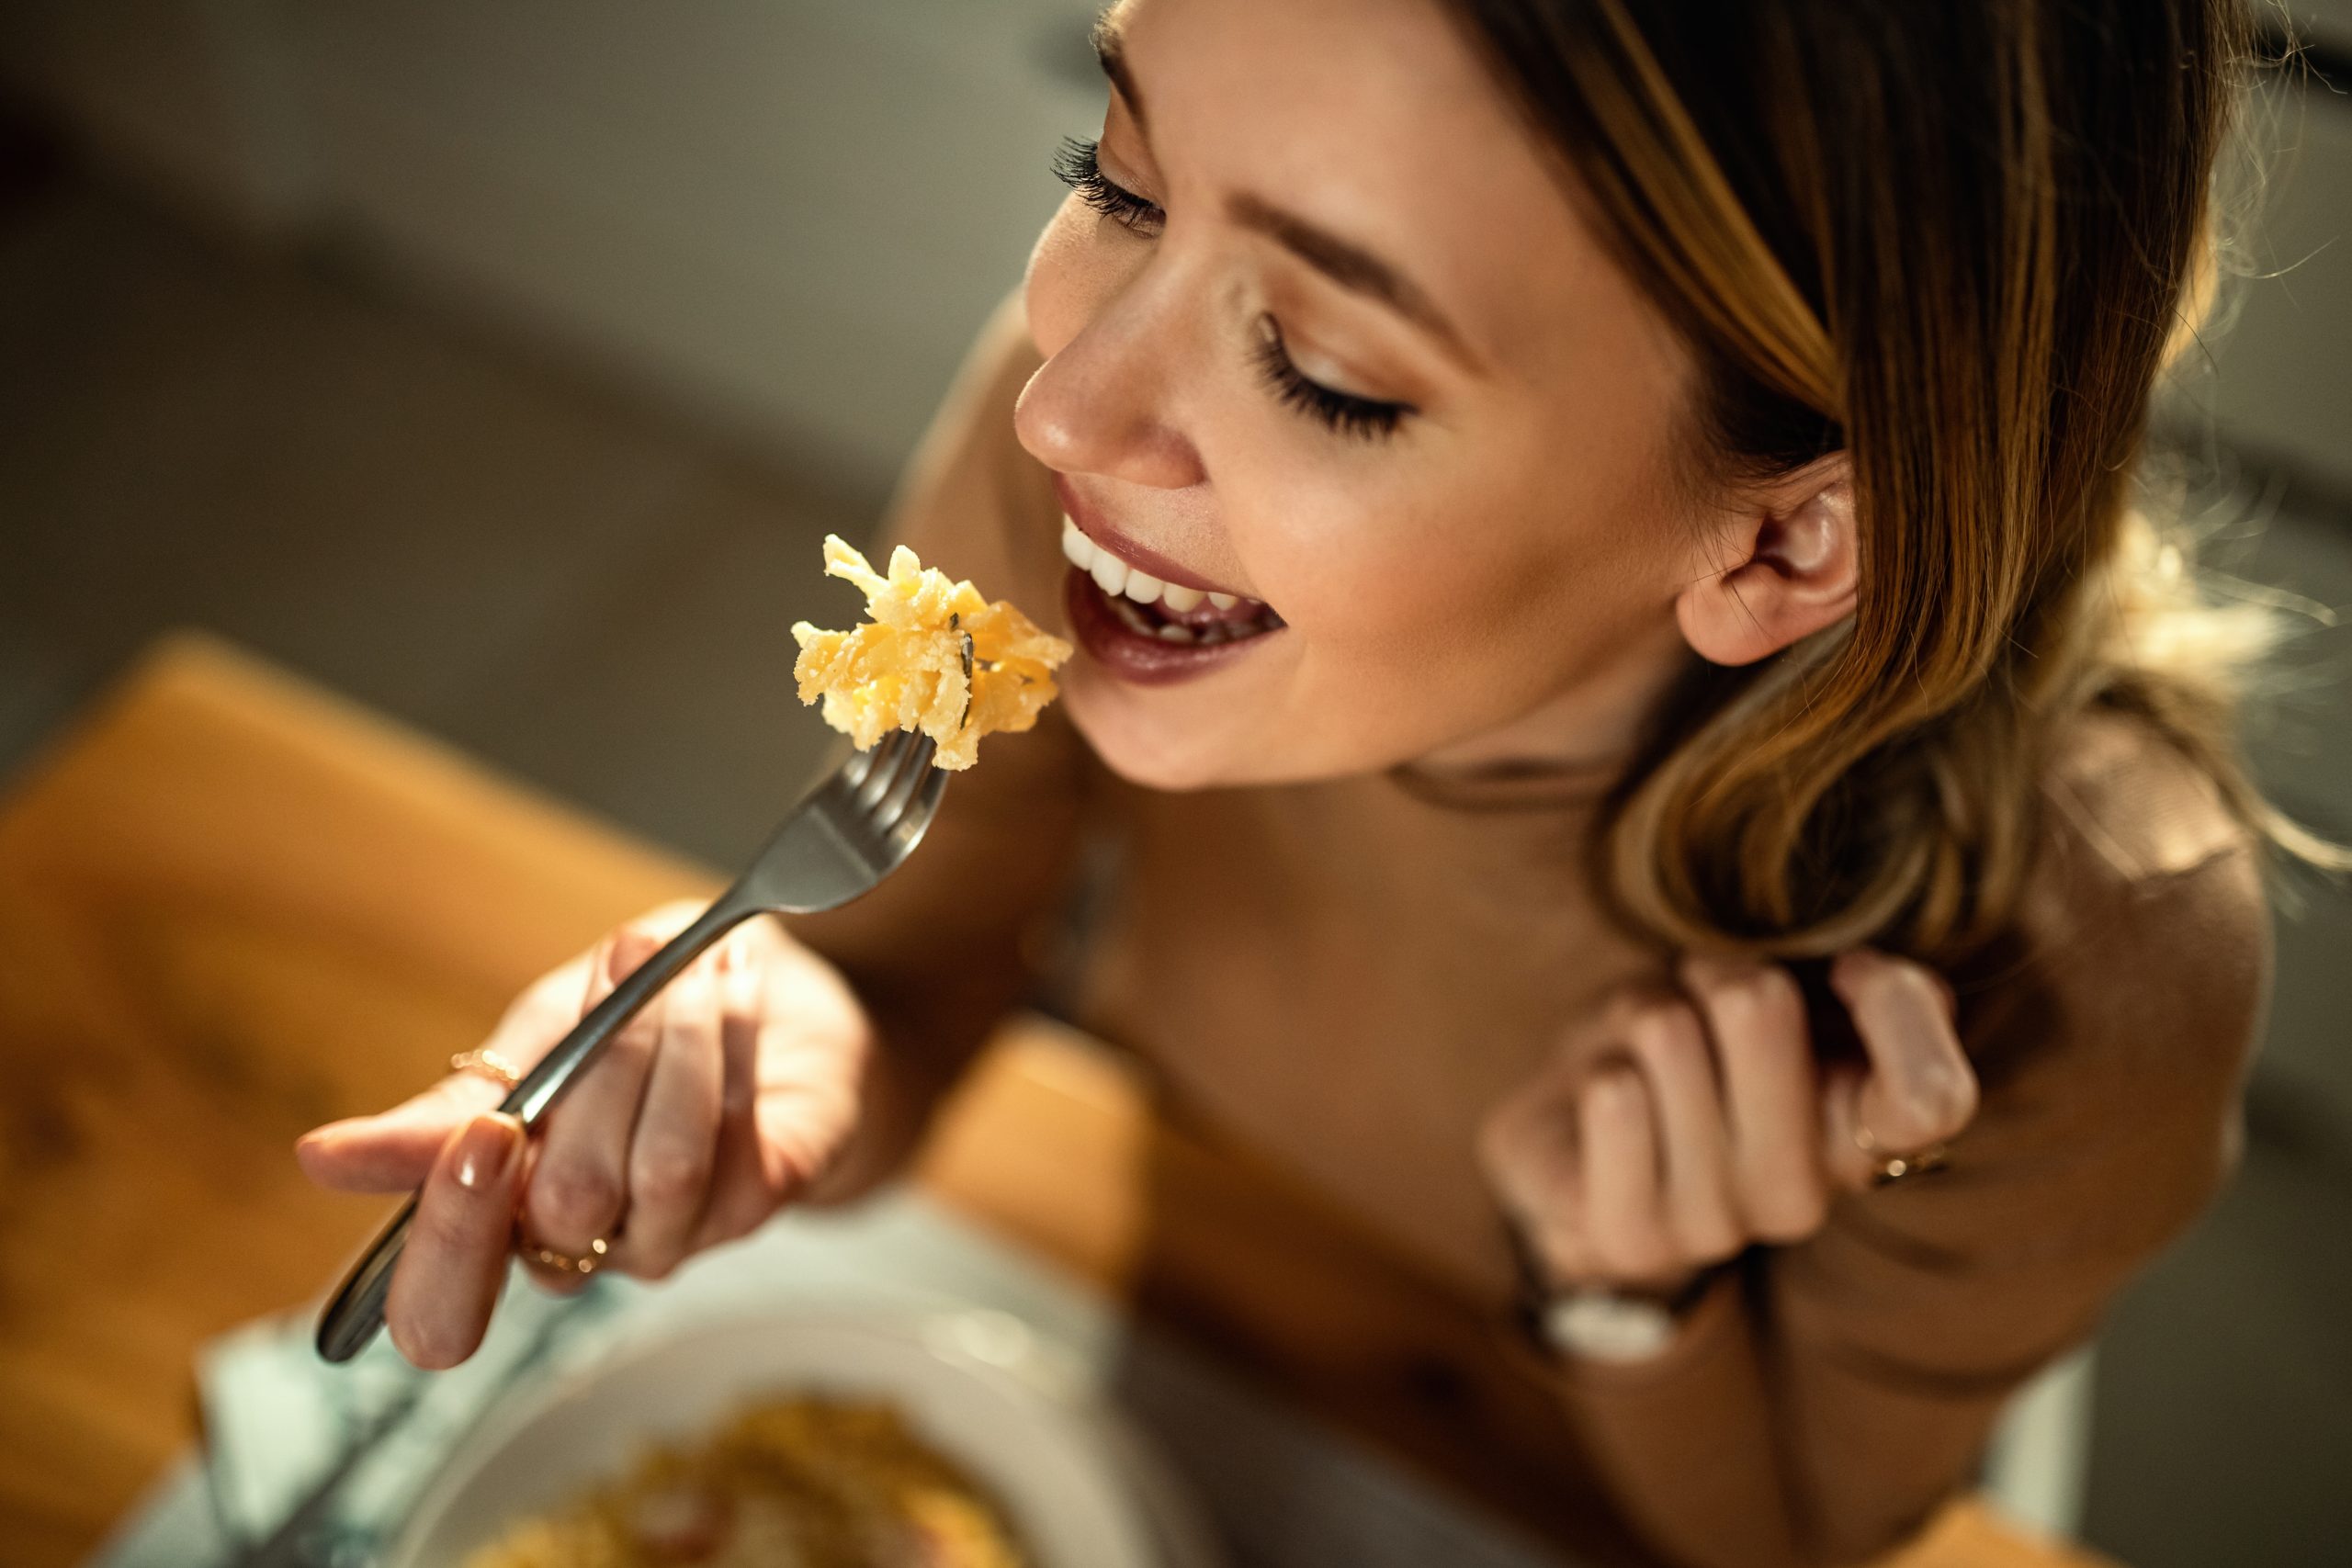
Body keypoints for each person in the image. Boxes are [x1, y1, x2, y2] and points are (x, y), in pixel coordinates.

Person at [297, 1, 2340, 1562]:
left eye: (1330, 370)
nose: (1065, 403)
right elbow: (908, 977)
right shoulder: (1099, 470)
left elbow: (1773, 1532)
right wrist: (786, 1031)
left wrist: (1636, 1294)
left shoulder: (2089, 946)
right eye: (1112, 178)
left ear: (1784, 544)